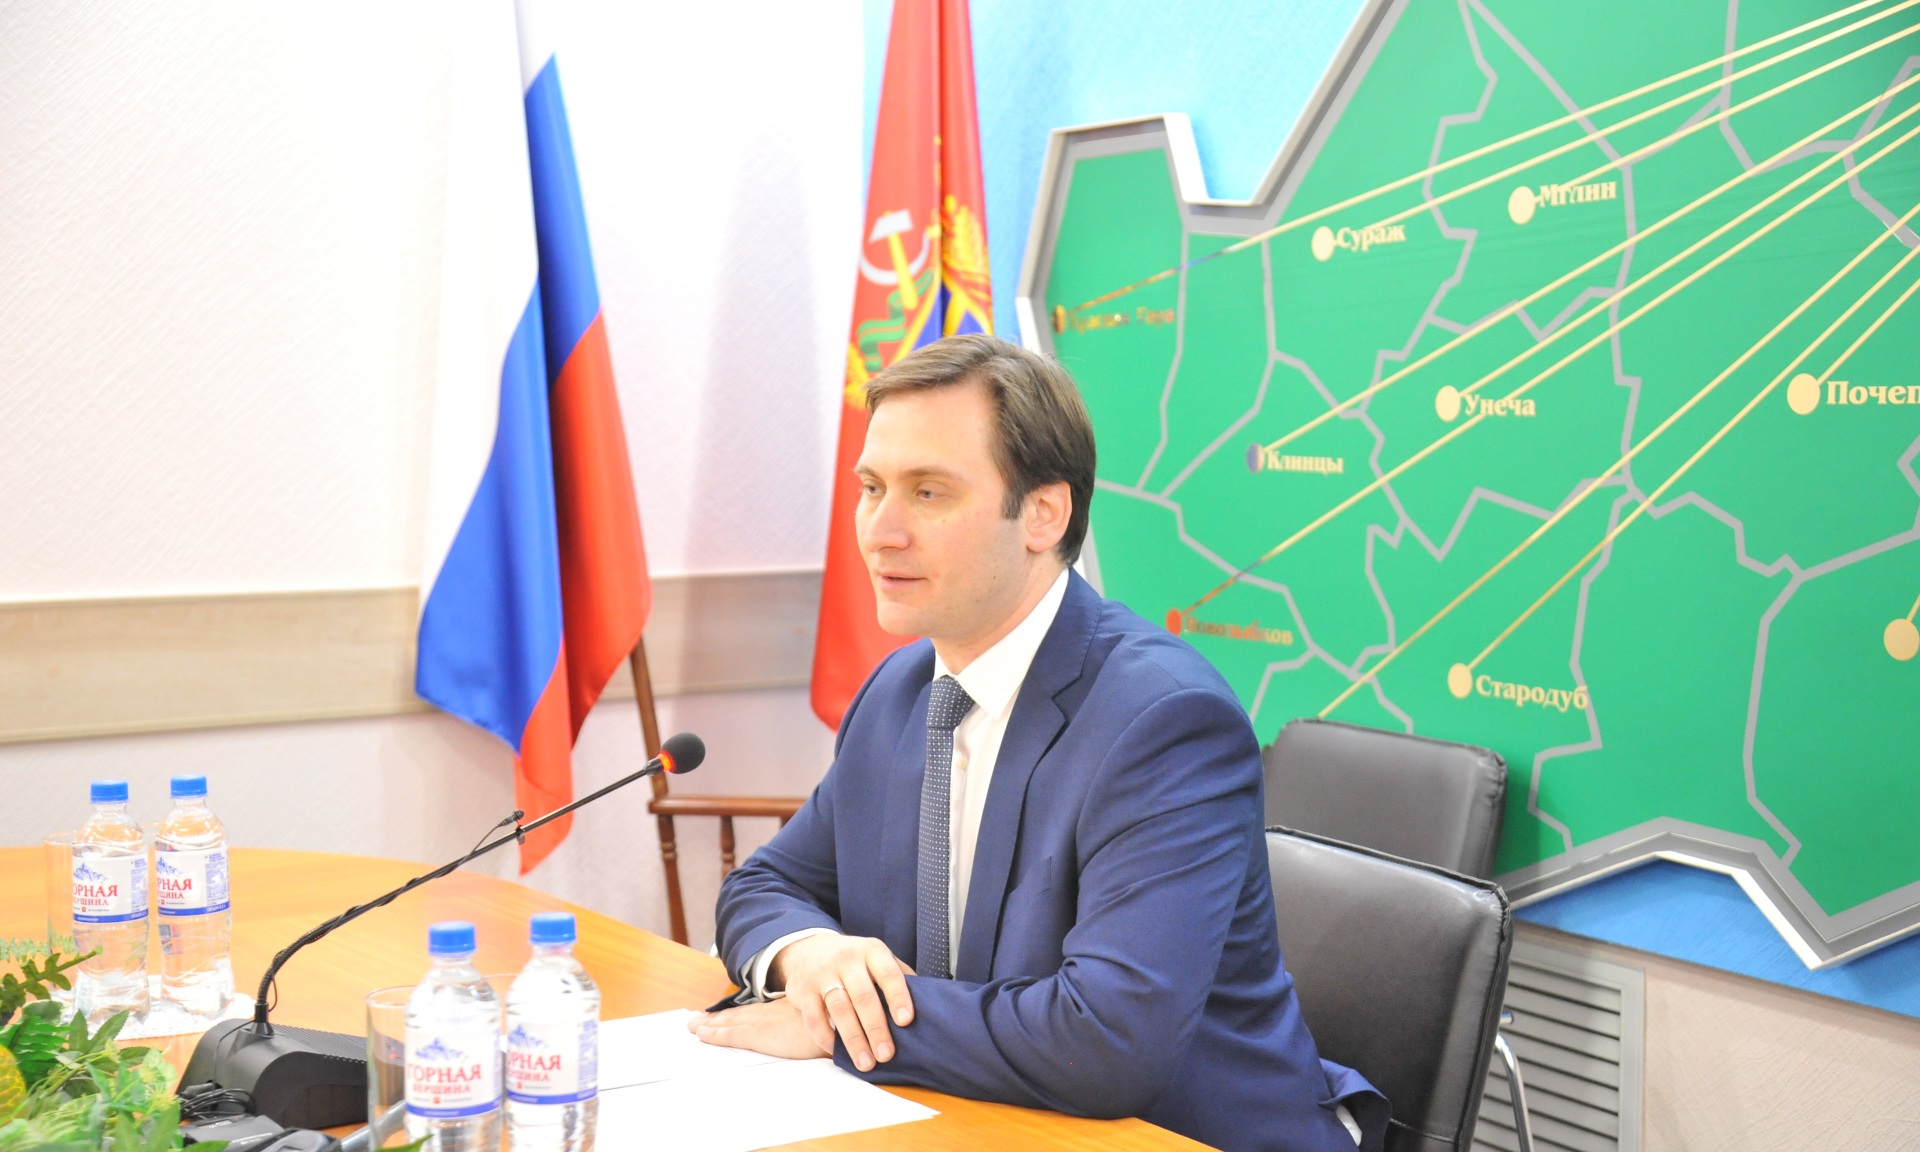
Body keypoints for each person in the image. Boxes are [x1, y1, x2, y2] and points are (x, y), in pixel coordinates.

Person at [691, 334, 1385, 1152]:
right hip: (976, 1123)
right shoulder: (901, 692)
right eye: (871, 488)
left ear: (1044, 514)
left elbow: (1107, 1043)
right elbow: (764, 884)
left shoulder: (1164, 721)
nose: (881, 531)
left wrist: (843, 1025)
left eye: (928, 492)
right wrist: (811, 957)